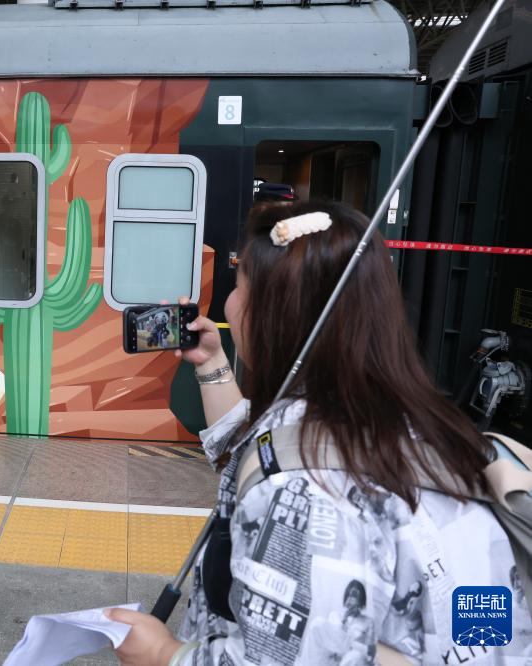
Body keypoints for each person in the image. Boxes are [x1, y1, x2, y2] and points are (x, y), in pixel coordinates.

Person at [106, 200, 530, 664]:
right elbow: (262, 454)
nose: (229, 303)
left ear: (276, 313)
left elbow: (288, 657)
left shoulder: (303, 488)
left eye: (240, 286)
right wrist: (212, 364)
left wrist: (164, 653)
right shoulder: (413, 421)